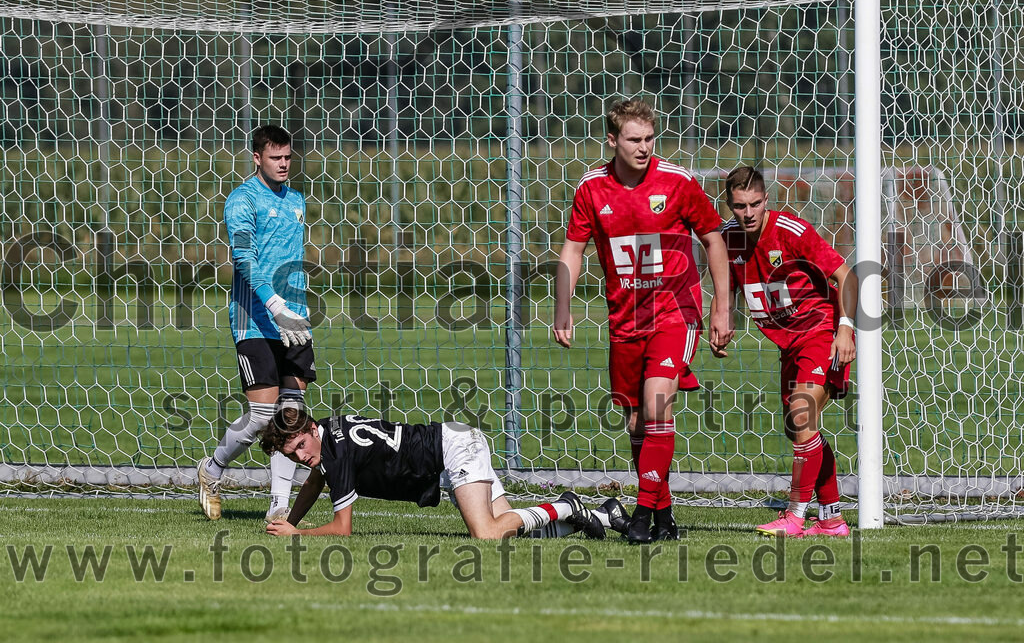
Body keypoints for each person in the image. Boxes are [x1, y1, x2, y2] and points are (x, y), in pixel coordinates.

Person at [553, 98, 733, 544]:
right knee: (637, 423)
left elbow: (713, 239)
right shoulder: (592, 189)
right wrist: (562, 307)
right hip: (625, 319)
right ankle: (665, 513)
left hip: (676, 312)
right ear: (612, 140)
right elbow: (573, 250)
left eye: (650, 138)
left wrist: (721, 307)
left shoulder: (677, 182)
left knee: (656, 406)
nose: (644, 147)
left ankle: (640, 515)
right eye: (634, 139)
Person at [712, 166, 858, 537]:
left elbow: (847, 276)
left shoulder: (792, 232)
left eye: (755, 204)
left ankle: (794, 516)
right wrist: (720, 318)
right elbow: (724, 285)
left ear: (766, 200)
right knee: (801, 429)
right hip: (788, 346)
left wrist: (845, 329)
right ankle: (832, 520)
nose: (748, 213)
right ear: (729, 204)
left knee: (801, 415)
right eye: (740, 206)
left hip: (821, 332)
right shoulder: (727, 239)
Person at [258, 400, 630, 540]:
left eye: (301, 448)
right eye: (293, 457)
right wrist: (288, 517)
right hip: (452, 441)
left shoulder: (336, 453)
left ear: (308, 429)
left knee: (485, 535)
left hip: (450, 450)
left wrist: (297, 533)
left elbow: (343, 529)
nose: (302, 458)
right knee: (510, 527)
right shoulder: (328, 434)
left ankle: (567, 506)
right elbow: (315, 481)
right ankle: (603, 514)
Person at [197, 125, 314, 522]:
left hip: (293, 321)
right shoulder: (242, 200)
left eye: (288, 157)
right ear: (257, 158)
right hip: (255, 321)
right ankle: (212, 470)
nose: (283, 164)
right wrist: (275, 304)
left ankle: (278, 505)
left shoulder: (296, 199)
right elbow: (245, 261)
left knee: (293, 416)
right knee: (263, 417)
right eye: (275, 158)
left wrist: (294, 308)